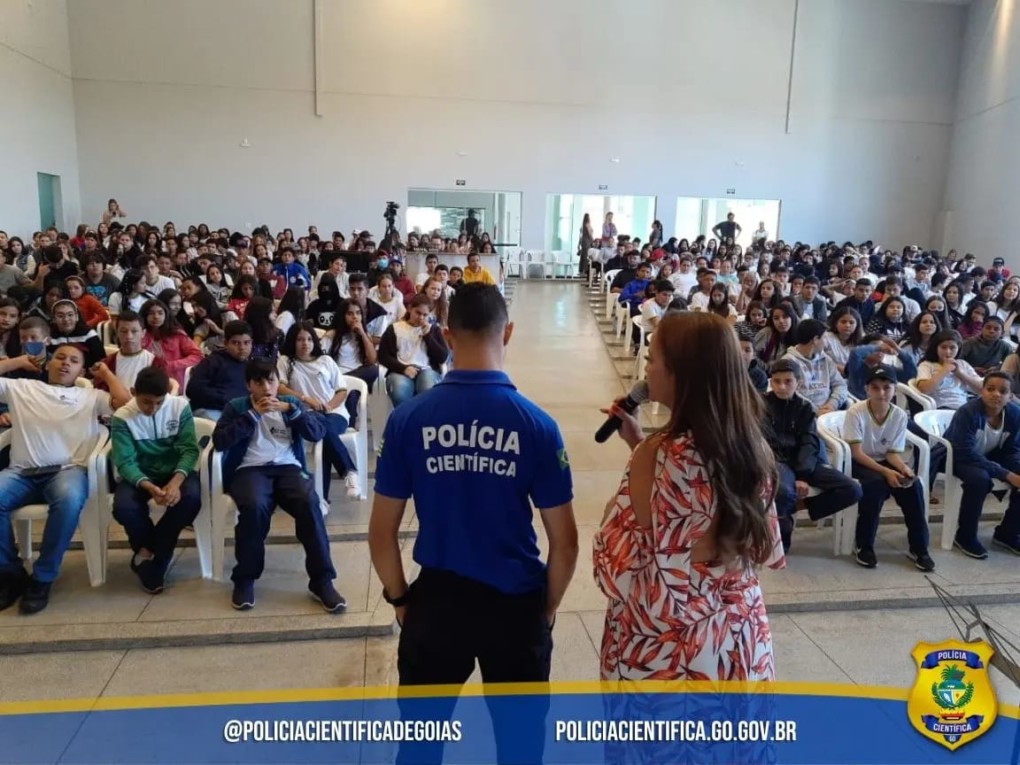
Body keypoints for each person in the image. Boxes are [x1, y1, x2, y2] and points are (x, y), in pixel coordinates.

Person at [369, 283, 576, 765]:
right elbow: (564, 543)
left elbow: (381, 533)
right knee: (520, 747)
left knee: (421, 747)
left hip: (438, 603)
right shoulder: (536, 425)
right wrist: (544, 610)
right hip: (515, 602)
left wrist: (401, 599)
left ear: (446, 332)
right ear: (509, 331)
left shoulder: (410, 420)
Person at [594, 311, 785, 682]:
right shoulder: (753, 447)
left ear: (680, 372)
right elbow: (763, 544)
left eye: (652, 360)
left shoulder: (656, 454)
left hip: (664, 641)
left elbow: (611, 563)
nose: (646, 370)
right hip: (737, 634)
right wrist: (639, 444)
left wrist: (640, 453)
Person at [0, 347, 131, 614]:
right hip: (21, 472)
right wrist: (17, 361)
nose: (65, 364)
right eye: (60, 358)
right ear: (48, 363)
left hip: (67, 470)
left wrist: (106, 373)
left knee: (69, 501)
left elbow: (126, 403)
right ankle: (9, 574)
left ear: (81, 371)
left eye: (73, 361)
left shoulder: (90, 396)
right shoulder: (22, 388)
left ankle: (42, 577)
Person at [212, 359, 342, 612]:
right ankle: (245, 578)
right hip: (249, 469)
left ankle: (322, 580)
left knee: (309, 503)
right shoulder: (236, 406)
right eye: (259, 382)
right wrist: (253, 415)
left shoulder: (290, 404)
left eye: (270, 380)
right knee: (254, 505)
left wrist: (291, 411)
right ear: (249, 385)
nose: (266, 388)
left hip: (288, 468)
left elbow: (316, 433)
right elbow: (220, 441)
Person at [110, 366, 201, 593]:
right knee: (123, 508)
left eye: (159, 402)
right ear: (133, 392)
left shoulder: (180, 407)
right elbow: (125, 461)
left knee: (191, 498)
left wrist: (176, 482)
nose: (153, 408)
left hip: (175, 472)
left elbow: (189, 450)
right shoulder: (122, 417)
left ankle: (151, 556)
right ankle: (157, 553)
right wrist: (147, 485)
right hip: (141, 475)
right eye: (146, 402)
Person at [765, 359, 863, 552]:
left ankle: (795, 508)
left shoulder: (805, 407)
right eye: (777, 381)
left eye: (788, 381)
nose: (782, 387)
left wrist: (802, 475)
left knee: (852, 490)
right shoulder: (760, 405)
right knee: (784, 492)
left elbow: (809, 442)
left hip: (805, 460)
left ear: (798, 382)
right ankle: (781, 544)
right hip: (777, 460)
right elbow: (762, 442)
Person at [844, 366, 933, 571]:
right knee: (874, 486)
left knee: (913, 486)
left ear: (895, 390)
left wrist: (903, 468)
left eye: (887, 387)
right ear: (867, 389)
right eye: (875, 387)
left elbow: (892, 453)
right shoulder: (855, 412)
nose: (881, 393)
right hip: (860, 461)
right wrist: (886, 472)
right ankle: (864, 545)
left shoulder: (900, 415)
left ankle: (919, 548)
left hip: (885, 460)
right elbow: (856, 452)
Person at [278, 322, 361, 502]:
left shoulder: (326, 361)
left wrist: (329, 406)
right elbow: (280, 389)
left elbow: (341, 390)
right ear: (293, 341)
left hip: (335, 413)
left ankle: (321, 499)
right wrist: (307, 399)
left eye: (309, 339)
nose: (305, 343)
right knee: (320, 431)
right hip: (305, 414)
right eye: (300, 339)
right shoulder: (285, 361)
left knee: (322, 434)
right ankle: (349, 472)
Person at [944, 372, 1020, 557]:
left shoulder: (1014, 414)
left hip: (990, 455)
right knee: (979, 479)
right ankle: (965, 536)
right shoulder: (968, 412)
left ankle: (1007, 532)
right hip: (957, 457)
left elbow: (1012, 449)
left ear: (1011, 396)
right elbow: (965, 451)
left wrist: (1015, 467)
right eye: (991, 389)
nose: (996, 394)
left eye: (1003, 391)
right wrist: (1006, 474)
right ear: (981, 390)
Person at [378, 294, 448, 407]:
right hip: (401, 369)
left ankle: (422, 422)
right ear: (410, 309)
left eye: (425, 315)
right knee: (399, 393)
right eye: (418, 313)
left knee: (427, 391)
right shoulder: (394, 328)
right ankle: (406, 420)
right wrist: (403, 368)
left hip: (427, 369)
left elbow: (443, 357)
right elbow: (383, 356)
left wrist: (427, 336)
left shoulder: (434, 330)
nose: (421, 317)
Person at [187, 320, 253, 421]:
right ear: (226, 343)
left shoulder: (252, 367)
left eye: (246, 343)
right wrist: (225, 399)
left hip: (238, 412)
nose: (242, 348)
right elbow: (193, 389)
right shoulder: (212, 361)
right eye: (236, 343)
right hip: (210, 410)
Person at [782, 319, 848, 414]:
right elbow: (791, 393)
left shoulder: (826, 359)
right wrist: (816, 411)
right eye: (824, 338)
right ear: (815, 339)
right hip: (803, 414)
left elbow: (840, 384)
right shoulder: (788, 362)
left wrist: (832, 404)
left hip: (829, 411)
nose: (826, 342)